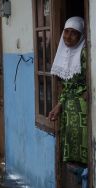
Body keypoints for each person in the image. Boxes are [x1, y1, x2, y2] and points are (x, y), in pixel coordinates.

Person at [48, 17, 87, 165]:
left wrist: (86, 92)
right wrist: (59, 105)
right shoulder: (64, 52)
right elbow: (67, 86)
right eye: (66, 31)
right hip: (69, 112)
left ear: (81, 35)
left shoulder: (85, 53)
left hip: (83, 110)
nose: (68, 37)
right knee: (72, 155)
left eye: (73, 33)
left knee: (85, 155)